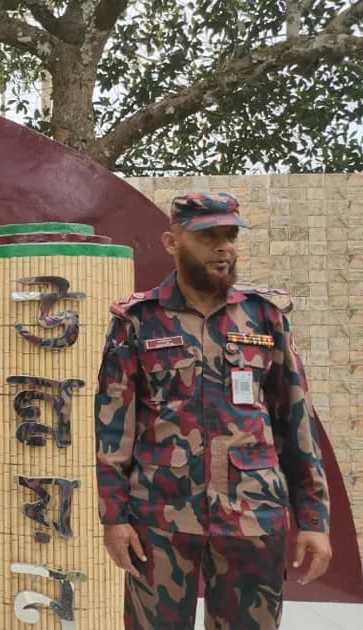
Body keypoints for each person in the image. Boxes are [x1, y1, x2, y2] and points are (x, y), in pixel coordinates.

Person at [95, 192, 332, 629]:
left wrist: (314, 520)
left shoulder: (264, 317)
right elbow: (113, 429)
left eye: (231, 236)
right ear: (172, 242)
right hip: (160, 518)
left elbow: (296, 422)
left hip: (253, 516)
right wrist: (115, 519)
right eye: (209, 237)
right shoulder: (139, 320)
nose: (225, 247)